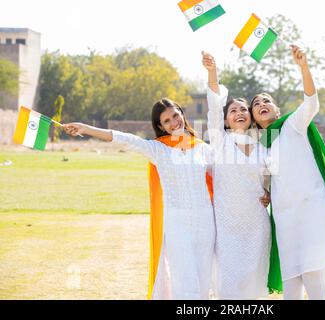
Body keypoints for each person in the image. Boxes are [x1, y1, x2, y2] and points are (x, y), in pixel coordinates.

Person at [63, 98, 215, 300]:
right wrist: (85, 128)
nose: (174, 122)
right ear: (160, 126)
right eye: (167, 120)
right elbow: (124, 138)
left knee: (204, 280)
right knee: (185, 282)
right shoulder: (158, 150)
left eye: (175, 115)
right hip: (177, 224)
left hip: (205, 222)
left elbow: (226, 178)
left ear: (182, 113)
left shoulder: (202, 148)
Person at [249, 45, 325, 300]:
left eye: (266, 100)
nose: (261, 104)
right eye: (256, 103)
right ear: (254, 118)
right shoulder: (260, 146)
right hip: (285, 216)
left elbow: (312, 101)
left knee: (313, 276)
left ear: (276, 110)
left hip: (313, 208)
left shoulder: (293, 125)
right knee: (291, 281)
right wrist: (266, 193)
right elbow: (266, 180)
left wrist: (304, 67)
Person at [202, 51, 272, 299]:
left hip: (256, 225)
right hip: (226, 225)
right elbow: (213, 104)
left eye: (244, 109)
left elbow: (274, 181)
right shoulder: (220, 140)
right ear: (226, 120)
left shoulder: (264, 148)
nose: (239, 112)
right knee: (228, 283)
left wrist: (269, 194)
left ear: (251, 117)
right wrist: (213, 71)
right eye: (233, 110)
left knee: (254, 283)